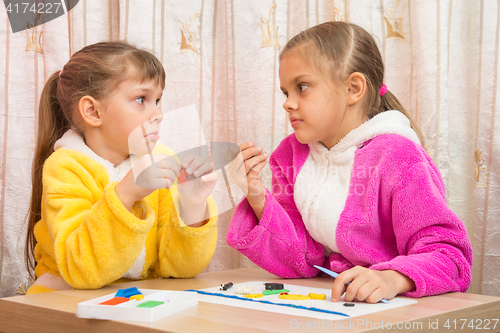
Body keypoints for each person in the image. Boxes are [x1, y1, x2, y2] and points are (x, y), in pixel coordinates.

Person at [227, 21, 472, 304]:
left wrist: (392, 278)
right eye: (286, 92)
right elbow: (301, 260)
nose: (288, 103)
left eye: (302, 87)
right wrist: (256, 194)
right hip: (334, 304)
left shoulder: (398, 157)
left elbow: (451, 257)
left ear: (353, 88)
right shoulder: (290, 156)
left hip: (395, 310)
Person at [25, 41, 218, 294]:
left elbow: (180, 269)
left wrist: (192, 208)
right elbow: (81, 270)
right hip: (62, 303)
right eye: (141, 99)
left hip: (131, 301)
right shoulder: (66, 167)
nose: (158, 113)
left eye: (158, 100)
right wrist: (125, 195)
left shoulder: (160, 160)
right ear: (93, 111)